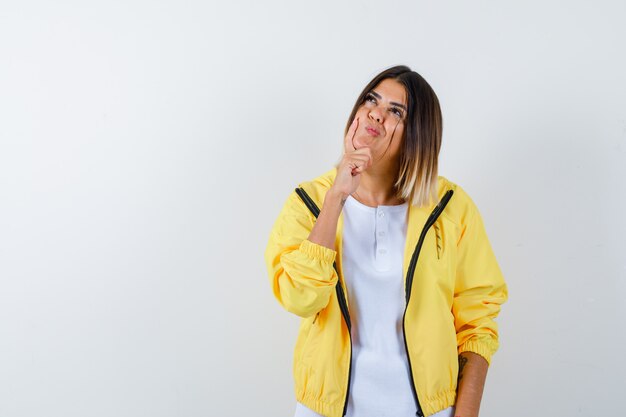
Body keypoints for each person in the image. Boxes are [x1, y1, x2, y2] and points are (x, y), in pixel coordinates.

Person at [264, 65, 508, 417]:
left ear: (418, 134)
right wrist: (336, 198)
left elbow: (477, 324)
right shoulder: (309, 201)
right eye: (371, 99)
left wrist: (466, 413)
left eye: (396, 111)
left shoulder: (451, 208)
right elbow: (299, 298)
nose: (376, 113)